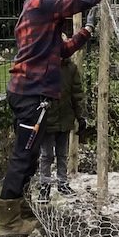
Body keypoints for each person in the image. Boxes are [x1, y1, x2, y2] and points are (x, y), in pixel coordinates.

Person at [0, 0, 119, 236]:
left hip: (27, 91)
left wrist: (86, 32)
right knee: (23, 157)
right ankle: (8, 222)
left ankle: (20, 207)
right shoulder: (43, 5)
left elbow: (60, 51)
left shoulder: (35, 10)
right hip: (30, 94)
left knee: (27, 155)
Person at [35, 32, 90, 202]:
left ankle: (62, 182)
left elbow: (77, 94)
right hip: (47, 119)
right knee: (46, 155)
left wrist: (80, 117)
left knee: (62, 153)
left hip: (65, 117)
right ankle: (44, 185)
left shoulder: (71, 69)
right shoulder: (42, 67)